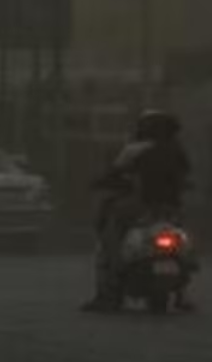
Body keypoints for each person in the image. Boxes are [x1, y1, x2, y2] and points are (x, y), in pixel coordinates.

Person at [82, 109, 193, 313]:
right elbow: (186, 176)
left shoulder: (135, 149)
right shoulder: (177, 150)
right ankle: (183, 296)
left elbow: (114, 173)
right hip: (170, 208)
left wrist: (99, 183)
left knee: (110, 235)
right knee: (182, 235)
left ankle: (108, 291)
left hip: (140, 205)